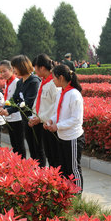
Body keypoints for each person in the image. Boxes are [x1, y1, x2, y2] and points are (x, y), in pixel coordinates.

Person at [0, 55, 45, 166]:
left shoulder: (34, 81)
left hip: (35, 120)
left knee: (38, 149)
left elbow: (28, 102)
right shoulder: (20, 82)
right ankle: (34, 172)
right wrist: (5, 109)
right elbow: (14, 99)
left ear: (22, 66)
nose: (14, 71)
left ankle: (41, 172)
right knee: (32, 148)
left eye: (14, 68)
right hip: (25, 120)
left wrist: (9, 110)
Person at [44, 64, 84, 192]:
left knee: (73, 168)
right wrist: (51, 120)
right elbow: (58, 113)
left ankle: (77, 193)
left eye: (54, 78)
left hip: (73, 137)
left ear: (61, 77)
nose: (52, 80)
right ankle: (68, 193)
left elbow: (76, 119)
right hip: (62, 136)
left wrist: (57, 126)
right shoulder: (61, 92)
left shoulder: (74, 94)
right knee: (65, 168)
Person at [29, 54, 60, 168]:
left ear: (42, 68)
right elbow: (38, 102)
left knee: (54, 155)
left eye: (35, 68)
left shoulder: (54, 83)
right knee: (48, 154)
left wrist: (41, 118)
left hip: (50, 124)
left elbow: (55, 106)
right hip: (42, 123)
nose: (35, 71)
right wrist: (33, 116)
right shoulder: (43, 81)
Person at [0, 60, 26, 158]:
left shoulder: (16, 82)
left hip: (17, 117)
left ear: (11, 70)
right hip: (9, 116)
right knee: (14, 144)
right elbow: (9, 99)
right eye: (0, 72)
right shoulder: (8, 82)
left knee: (19, 145)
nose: (2, 74)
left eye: (4, 71)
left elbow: (18, 100)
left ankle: (22, 165)